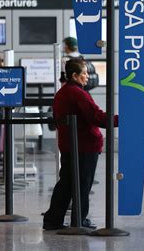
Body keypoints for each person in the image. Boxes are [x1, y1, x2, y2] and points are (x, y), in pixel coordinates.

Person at [43, 58, 117, 230]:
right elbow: (96, 117)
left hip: (70, 145)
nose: (87, 76)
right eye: (83, 73)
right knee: (83, 184)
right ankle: (79, 220)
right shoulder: (78, 93)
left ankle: (53, 219)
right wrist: (120, 119)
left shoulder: (62, 93)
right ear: (74, 75)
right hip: (84, 146)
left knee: (66, 184)